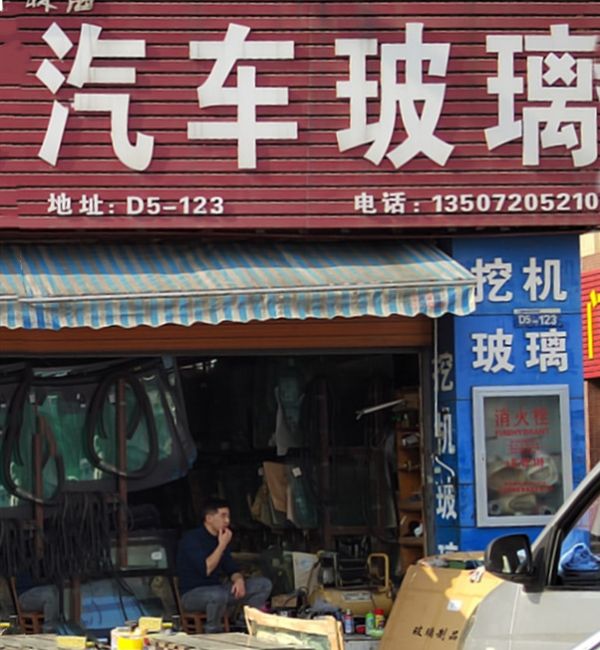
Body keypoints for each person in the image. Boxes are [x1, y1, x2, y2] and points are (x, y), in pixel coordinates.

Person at [176, 498, 272, 633]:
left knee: (263, 584)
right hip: (192, 595)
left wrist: (239, 580)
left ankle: (243, 623)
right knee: (217, 594)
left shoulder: (220, 538)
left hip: (218, 590)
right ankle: (213, 632)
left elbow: (232, 569)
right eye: (223, 516)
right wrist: (221, 545)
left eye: (228, 516)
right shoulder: (192, 539)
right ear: (209, 518)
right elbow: (206, 569)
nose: (227, 521)